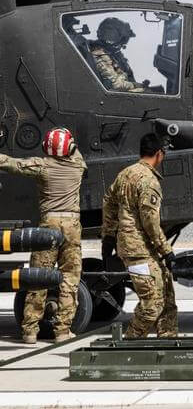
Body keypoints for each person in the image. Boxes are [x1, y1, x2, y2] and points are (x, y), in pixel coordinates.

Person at [0, 127, 87, 344]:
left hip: (48, 226)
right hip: (72, 225)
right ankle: (63, 331)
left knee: (39, 277)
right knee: (69, 278)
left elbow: (12, 164)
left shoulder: (42, 166)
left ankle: (30, 331)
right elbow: (75, 151)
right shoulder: (78, 165)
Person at [101, 133, 177, 338]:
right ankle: (130, 340)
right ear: (159, 154)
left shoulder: (125, 174)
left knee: (167, 293)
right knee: (152, 303)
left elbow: (108, 202)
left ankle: (168, 337)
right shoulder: (149, 181)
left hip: (140, 248)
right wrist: (166, 251)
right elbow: (150, 221)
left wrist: (108, 236)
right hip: (137, 250)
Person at [90, 17, 146, 93]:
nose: (125, 42)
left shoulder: (113, 53)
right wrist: (137, 85)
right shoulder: (100, 54)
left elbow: (125, 73)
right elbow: (116, 85)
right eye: (124, 39)